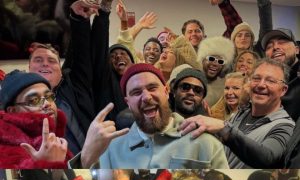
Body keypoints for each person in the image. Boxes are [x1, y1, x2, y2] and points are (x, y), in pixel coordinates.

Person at [71, 63, 229, 169]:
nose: (146, 97)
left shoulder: (207, 144)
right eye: (136, 92)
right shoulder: (110, 150)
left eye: (152, 87)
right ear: (127, 102)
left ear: (166, 92)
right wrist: (85, 157)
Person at [179, 58, 295, 168]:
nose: (261, 85)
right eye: (256, 78)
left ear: (283, 90)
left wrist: (224, 129)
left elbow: (268, 157)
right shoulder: (240, 114)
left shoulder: (284, 125)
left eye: (270, 81)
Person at [28, 0, 101, 154]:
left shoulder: (74, 87)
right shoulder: (17, 99)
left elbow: (80, 54)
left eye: (52, 60)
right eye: (38, 60)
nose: (45, 64)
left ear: (61, 70)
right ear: (28, 69)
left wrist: (78, 18)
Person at [0, 70, 72, 168]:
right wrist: (49, 163)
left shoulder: (57, 134)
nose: (47, 103)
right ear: (12, 111)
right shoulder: (5, 148)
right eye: (34, 100)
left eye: (49, 96)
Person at [261, 28, 300, 122]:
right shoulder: (261, 85)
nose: (275, 47)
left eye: (282, 42)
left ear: (297, 49)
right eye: (269, 46)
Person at [197, 36, 235, 107]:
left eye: (220, 61)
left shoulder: (225, 85)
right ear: (202, 60)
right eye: (211, 58)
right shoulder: (192, 79)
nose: (215, 64)